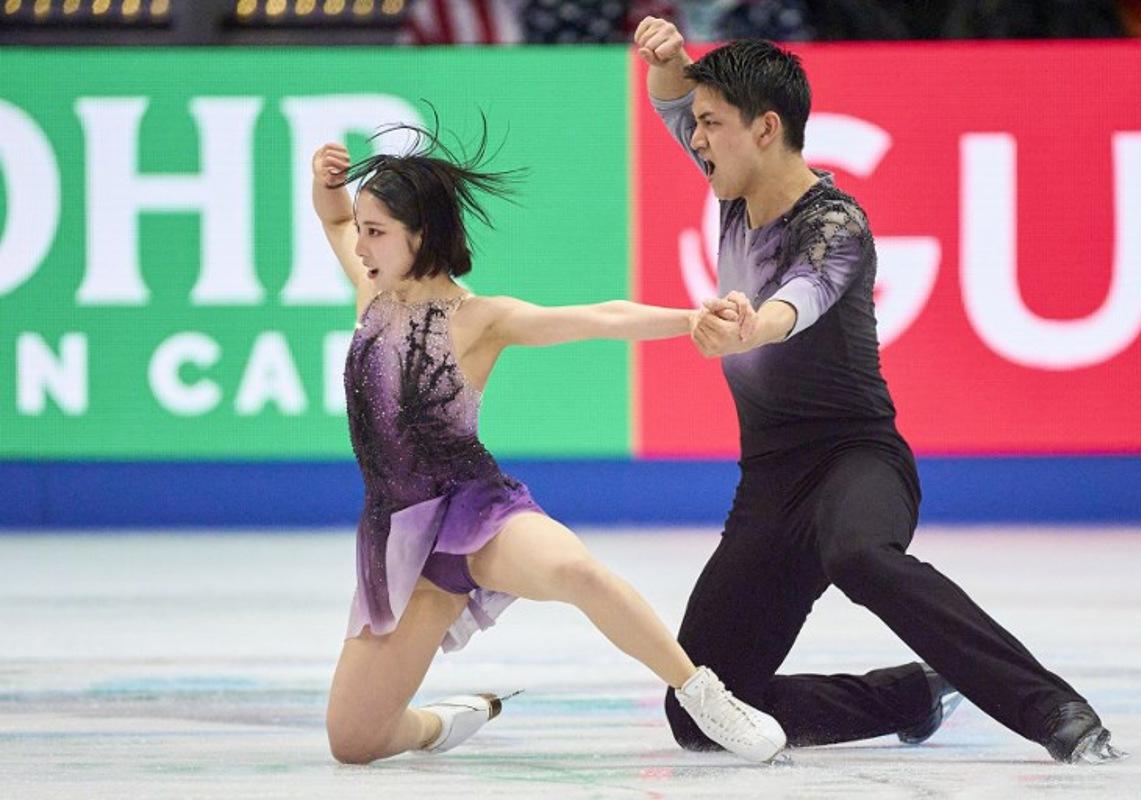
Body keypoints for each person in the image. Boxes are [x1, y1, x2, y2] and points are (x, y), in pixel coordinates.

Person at [633, 16, 1127, 764]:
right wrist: (668, 60)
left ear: (766, 128)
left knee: (859, 554)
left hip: (857, 460)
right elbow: (671, 98)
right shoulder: (733, 184)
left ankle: (1054, 708)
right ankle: (908, 695)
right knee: (701, 711)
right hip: (770, 481)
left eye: (711, 124)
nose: (694, 138)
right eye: (696, 124)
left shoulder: (836, 224)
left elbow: (803, 295)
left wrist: (753, 327)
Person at [309, 121, 787, 765]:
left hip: (475, 513)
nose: (361, 245)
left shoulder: (479, 318)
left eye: (377, 232)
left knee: (575, 571)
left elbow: (600, 318)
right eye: (365, 232)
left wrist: (691, 319)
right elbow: (336, 217)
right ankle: (437, 724)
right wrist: (326, 182)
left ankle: (704, 695)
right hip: (398, 541)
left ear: (420, 235)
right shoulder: (373, 294)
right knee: (354, 741)